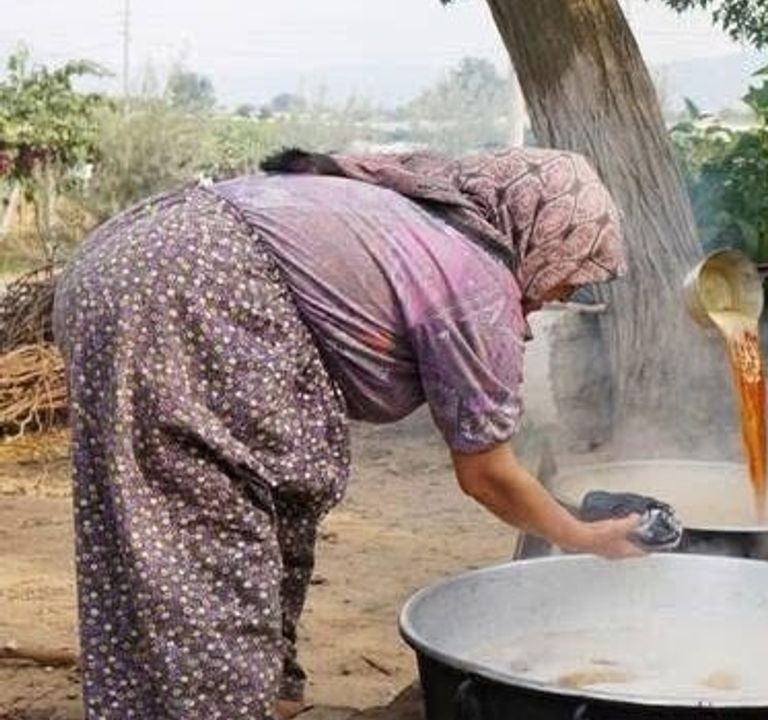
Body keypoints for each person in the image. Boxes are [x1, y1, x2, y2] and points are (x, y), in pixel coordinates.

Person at [52, 147, 644, 720]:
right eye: (572, 273)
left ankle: (264, 692)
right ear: (543, 231)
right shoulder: (474, 281)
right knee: (208, 543)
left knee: (202, 513)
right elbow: (487, 474)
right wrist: (581, 536)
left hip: (129, 259)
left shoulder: (414, 213)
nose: (563, 294)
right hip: (192, 294)